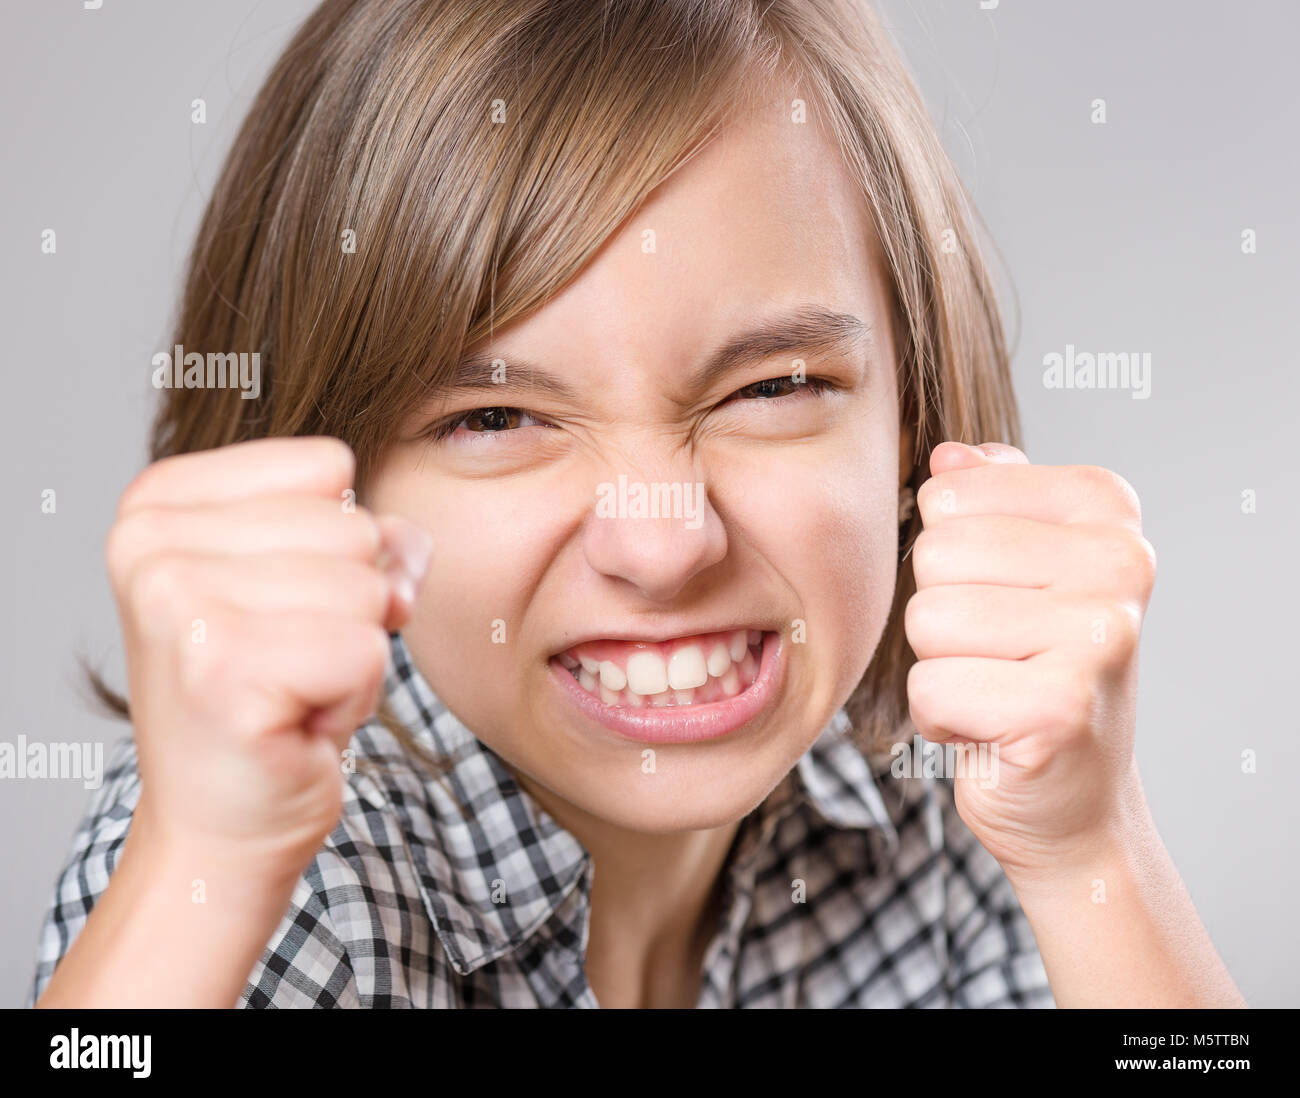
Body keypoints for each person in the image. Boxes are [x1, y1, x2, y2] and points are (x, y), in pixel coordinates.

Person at [31, 0, 1243, 1008]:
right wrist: (203, 867)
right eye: (496, 419)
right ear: (327, 482)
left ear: (913, 417)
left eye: (771, 389)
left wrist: (1092, 854)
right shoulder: (280, 865)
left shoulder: (925, 801)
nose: (663, 544)